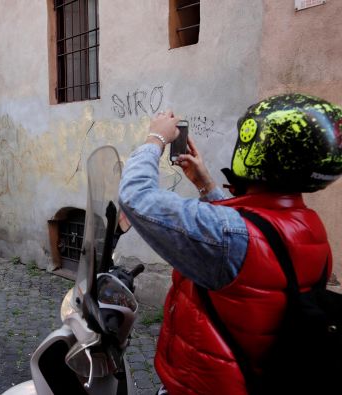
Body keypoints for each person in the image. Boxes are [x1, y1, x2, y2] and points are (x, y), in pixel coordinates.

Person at [118, 94, 342, 395]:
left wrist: (155, 137)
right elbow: (256, 233)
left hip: (203, 385)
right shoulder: (309, 227)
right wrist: (206, 185)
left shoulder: (231, 236)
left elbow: (136, 198)